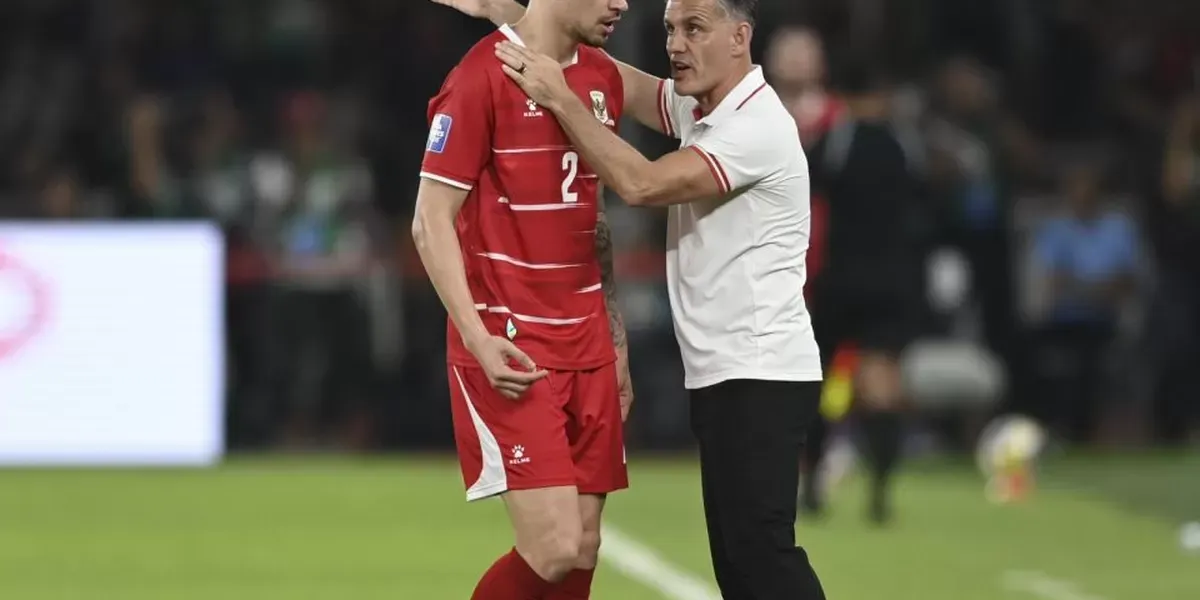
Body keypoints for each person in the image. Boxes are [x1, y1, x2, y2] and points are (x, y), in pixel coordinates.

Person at [434, 0, 827, 597]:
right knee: (741, 566)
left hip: (761, 369)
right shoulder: (706, 109)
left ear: (740, 37)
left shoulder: (755, 127)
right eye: (670, 28)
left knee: (762, 560)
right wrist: (506, 14)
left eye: (694, 29)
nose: (675, 44)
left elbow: (640, 183)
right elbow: (585, 54)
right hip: (726, 371)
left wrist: (561, 95)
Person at [410, 1, 634, 599]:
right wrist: (478, 340)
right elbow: (430, 221)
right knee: (554, 546)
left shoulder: (602, 78)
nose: (622, 4)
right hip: (511, 346)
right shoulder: (480, 76)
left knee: (583, 547)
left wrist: (617, 343)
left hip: (589, 343)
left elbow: (595, 218)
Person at [801, 62, 927, 525]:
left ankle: (814, 483)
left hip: (842, 280)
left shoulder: (839, 140)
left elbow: (802, 178)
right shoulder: (904, 142)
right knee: (881, 385)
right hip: (893, 282)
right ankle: (880, 492)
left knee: (823, 381)